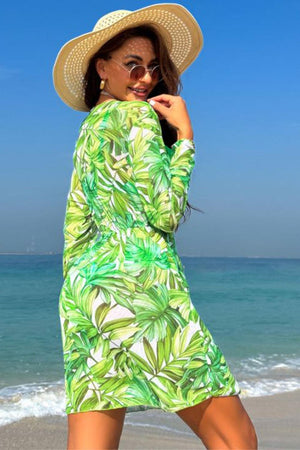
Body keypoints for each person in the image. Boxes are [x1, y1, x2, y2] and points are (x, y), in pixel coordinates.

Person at [53, 4, 257, 449]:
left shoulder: (88, 130)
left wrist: (81, 292)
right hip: (143, 291)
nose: (145, 78)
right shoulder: (141, 118)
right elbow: (164, 213)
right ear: (100, 68)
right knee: (235, 438)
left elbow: (76, 225)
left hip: (85, 296)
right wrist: (184, 138)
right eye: (132, 65)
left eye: (152, 67)